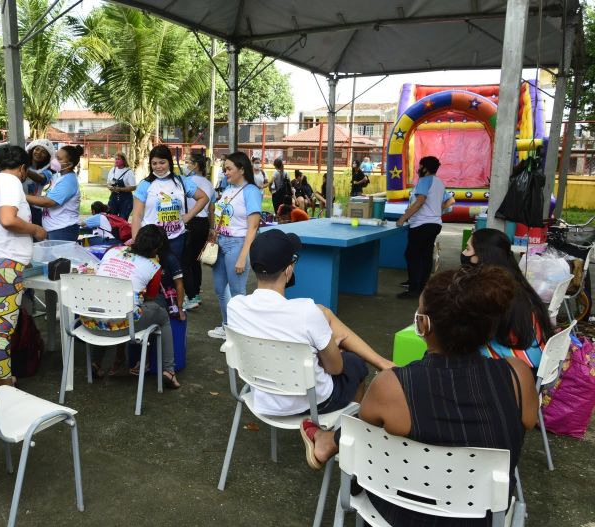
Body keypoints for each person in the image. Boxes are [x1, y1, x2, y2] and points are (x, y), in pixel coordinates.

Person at [301, 266, 538, 527]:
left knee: (368, 425)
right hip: (483, 520)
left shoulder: (394, 385)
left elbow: (365, 433)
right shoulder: (517, 377)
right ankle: (327, 442)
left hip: (398, 515)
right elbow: (527, 420)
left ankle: (326, 441)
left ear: (423, 324)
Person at [228, 229, 393, 416]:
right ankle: (341, 434)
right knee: (355, 364)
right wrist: (327, 353)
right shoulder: (306, 312)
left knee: (324, 313)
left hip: (262, 398)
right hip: (314, 402)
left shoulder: (235, 307)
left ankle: (382, 362)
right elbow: (336, 368)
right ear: (289, 270)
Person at [0, 145, 47, 385]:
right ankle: (2, 382)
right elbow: (7, 219)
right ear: (23, 168)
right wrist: (36, 229)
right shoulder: (12, 182)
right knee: (1, 330)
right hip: (3, 267)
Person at [81, 224, 181, 388]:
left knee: (104, 306)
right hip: (124, 326)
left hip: (90, 322)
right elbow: (150, 297)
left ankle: (97, 363)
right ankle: (169, 370)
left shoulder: (112, 250)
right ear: (157, 248)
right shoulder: (154, 266)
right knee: (162, 315)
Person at [462, 228, 553, 370]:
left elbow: (472, 330)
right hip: (535, 358)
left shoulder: (492, 290)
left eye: (467, 249)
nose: (464, 254)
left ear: (481, 255)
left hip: (517, 367)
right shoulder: (515, 280)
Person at [207, 151, 262, 340]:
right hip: (221, 243)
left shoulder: (251, 192)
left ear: (242, 169)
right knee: (220, 289)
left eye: (229, 169)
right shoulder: (228, 188)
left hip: (237, 245)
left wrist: (242, 256)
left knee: (238, 292)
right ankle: (228, 326)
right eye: (225, 169)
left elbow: (253, 227)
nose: (225, 172)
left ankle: (240, 335)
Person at [131, 144, 209, 263]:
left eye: (162, 162)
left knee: (174, 275)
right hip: (152, 241)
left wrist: (188, 217)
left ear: (169, 162)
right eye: (154, 163)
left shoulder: (181, 181)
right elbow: (136, 216)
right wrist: (136, 241)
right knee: (153, 275)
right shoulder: (145, 185)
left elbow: (203, 197)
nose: (158, 167)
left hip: (177, 238)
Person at [396, 156, 451, 299]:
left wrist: (403, 218)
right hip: (434, 224)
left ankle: (414, 289)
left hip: (422, 225)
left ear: (425, 168)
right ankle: (422, 287)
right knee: (425, 256)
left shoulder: (424, 180)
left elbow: (420, 201)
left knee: (412, 255)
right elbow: (444, 202)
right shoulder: (439, 182)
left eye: (420, 166)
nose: (418, 169)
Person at [182, 153, 216, 310]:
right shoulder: (209, 184)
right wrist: (211, 227)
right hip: (203, 224)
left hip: (190, 222)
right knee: (195, 260)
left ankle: (191, 296)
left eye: (188, 162)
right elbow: (211, 209)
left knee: (185, 261)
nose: (186, 165)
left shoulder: (187, 182)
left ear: (196, 165)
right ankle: (195, 292)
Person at [27, 144, 82, 242]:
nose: (54, 160)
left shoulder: (68, 181)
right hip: (55, 229)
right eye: (55, 157)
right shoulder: (60, 176)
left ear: (69, 164)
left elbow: (48, 202)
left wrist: (21, 195)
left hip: (62, 230)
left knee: (59, 257)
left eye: (59, 158)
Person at [25, 139, 56, 226]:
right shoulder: (23, 165)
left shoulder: (48, 172)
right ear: (32, 150)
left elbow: (40, 179)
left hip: (34, 210)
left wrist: (22, 168)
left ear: (47, 157)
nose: (39, 153)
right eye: (37, 149)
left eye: (44, 152)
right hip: (19, 205)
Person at [107, 152, 136, 220]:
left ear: (123, 160)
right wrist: (110, 187)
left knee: (122, 221)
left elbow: (133, 187)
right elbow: (108, 183)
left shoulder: (129, 172)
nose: (116, 161)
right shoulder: (113, 170)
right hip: (113, 199)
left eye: (118, 159)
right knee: (112, 219)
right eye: (116, 159)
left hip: (126, 201)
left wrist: (120, 189)